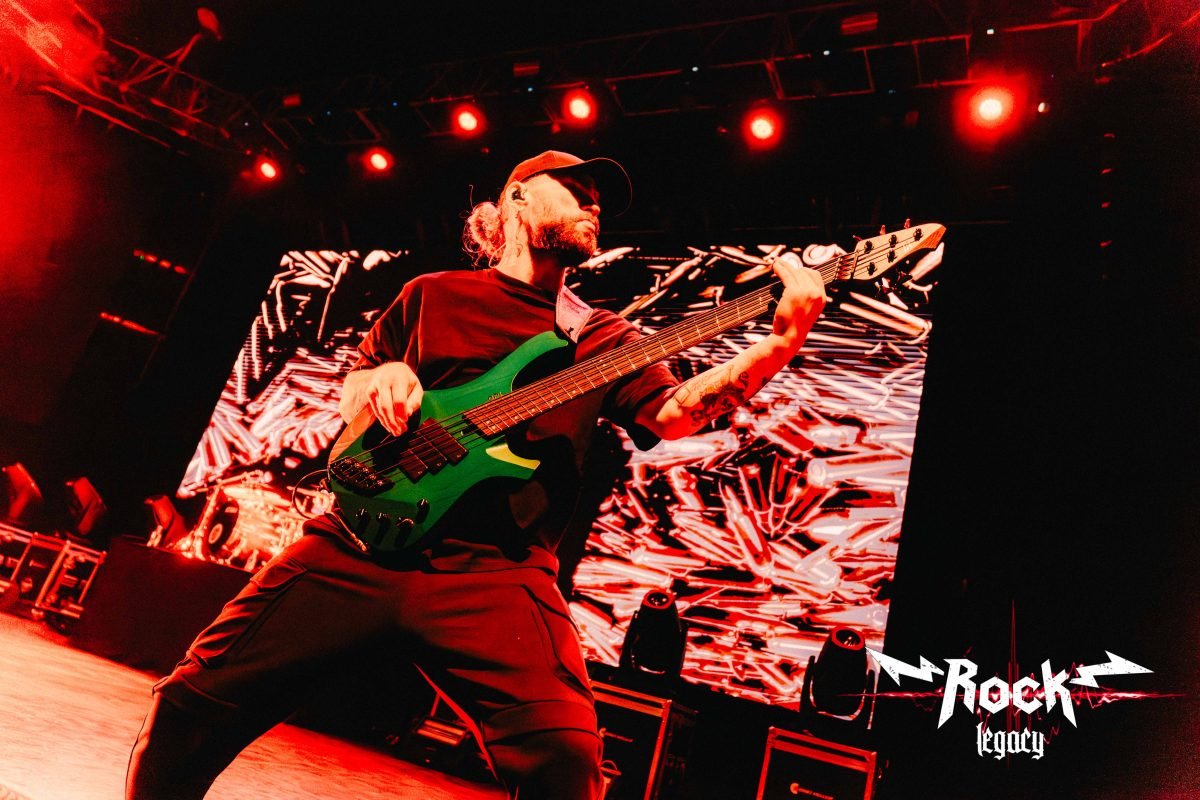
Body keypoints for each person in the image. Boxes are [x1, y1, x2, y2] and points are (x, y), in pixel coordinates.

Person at [126, 150, 827, 799]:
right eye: (576, 190)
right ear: (517, 199)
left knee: (565, 760)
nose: (593, 205)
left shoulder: (601, 336)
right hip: (359, 543)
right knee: (187, 706)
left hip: (496, 572)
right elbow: (353, 389)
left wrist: (780, 344)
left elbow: (674, 415)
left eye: (598, 199)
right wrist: (384, 379)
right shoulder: (432, 294)